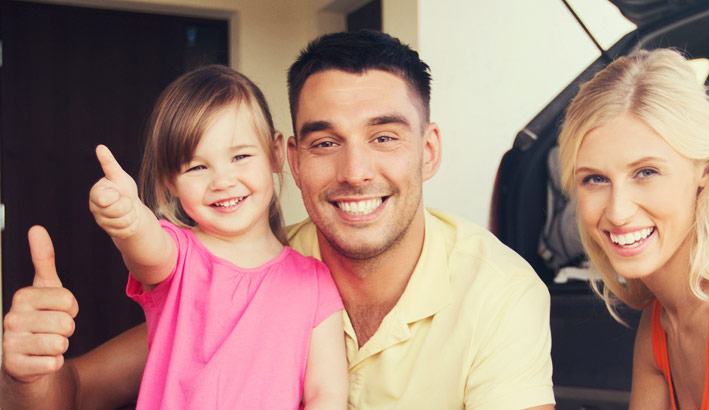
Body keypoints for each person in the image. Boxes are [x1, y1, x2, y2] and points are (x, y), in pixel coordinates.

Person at [1, 30, 554, 410]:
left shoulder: (499, 293)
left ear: (428, 151)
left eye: (384, 137)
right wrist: (27, 369)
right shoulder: (238, 265)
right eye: (325, 141)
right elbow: (70, 392)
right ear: (289, 158)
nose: (355, 171)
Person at [558, 48, 709, 410]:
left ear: (703, 169)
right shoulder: (662, 317)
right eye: (595, 179)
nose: (618, 211)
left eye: (646, 172)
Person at [111, 64, 350, 409]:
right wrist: (130, 221)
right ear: (168, 181)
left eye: (240, 156)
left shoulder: (314, 281)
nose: (222, 180)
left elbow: (326, 394)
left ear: (274, 152)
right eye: (197, 167)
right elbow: (146, 251)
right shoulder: (176, 255)